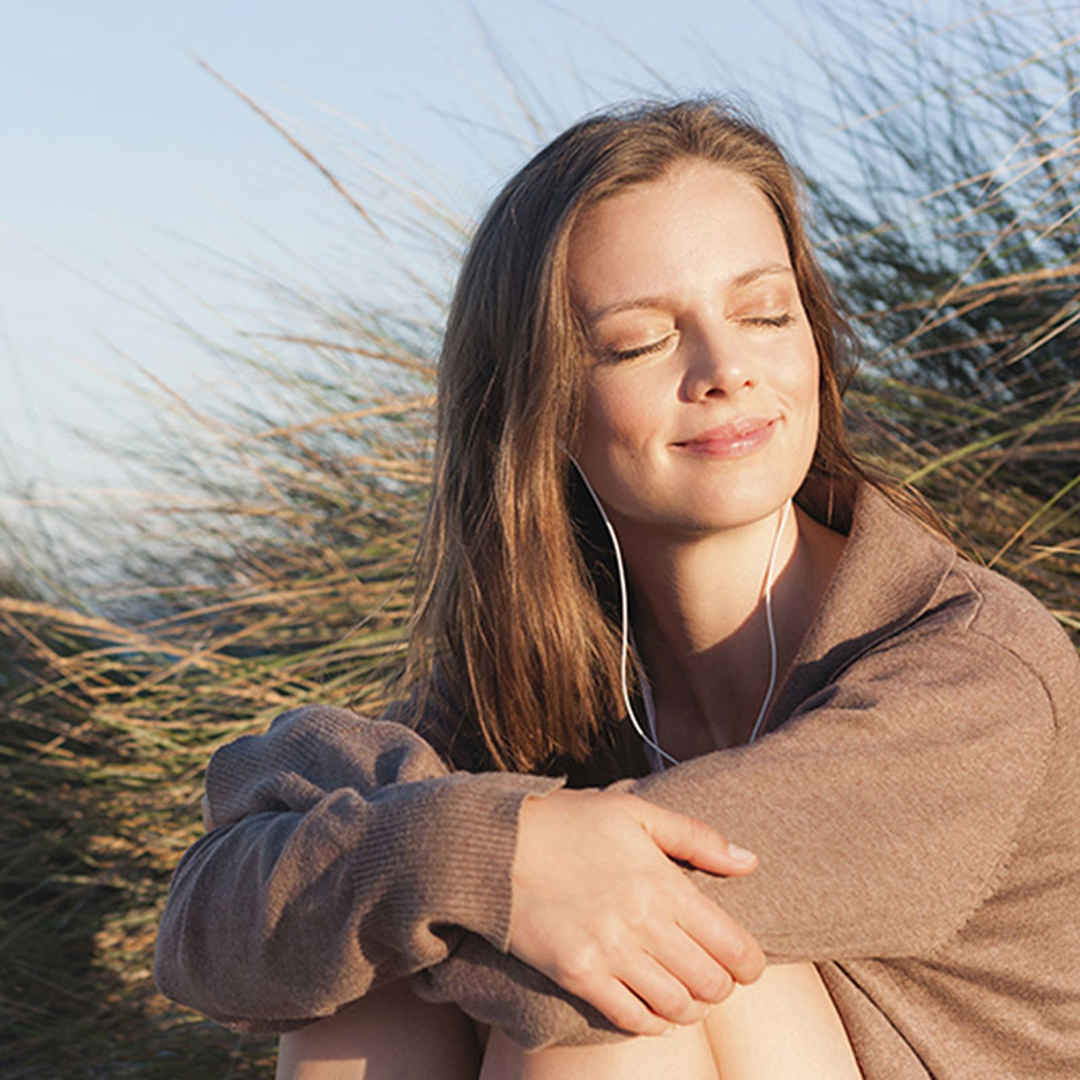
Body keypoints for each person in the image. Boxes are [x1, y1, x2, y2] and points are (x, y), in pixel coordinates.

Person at [154, 100, 1080, 1078]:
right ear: (540, 402)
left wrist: (438, 864)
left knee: (623, 989)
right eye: (640, 341)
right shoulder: (550, 668)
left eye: (766, 314)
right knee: (374, 974)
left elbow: (588, 925)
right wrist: (471, 854)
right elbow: (201, 938)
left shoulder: (973, 674)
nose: (727, 371)